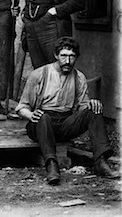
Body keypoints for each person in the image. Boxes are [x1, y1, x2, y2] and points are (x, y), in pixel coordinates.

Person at [16, 37, 119, 185]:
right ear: (56, 56)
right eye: (64, 56)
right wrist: (31, 114)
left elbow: (83, 105)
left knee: (94, 110)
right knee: (43, 117)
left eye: (72, 56)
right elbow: (21, 108)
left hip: (65, 123)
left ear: (76, 57)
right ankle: (52, 165)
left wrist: (91, 103)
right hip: (41, 123)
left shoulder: (79, 77)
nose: (68, 61)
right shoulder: (39, 75)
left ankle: (100, 162)